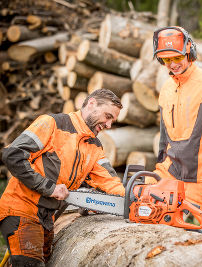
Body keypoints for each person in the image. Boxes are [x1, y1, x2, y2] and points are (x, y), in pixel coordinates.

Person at [0, 89, 126, 266]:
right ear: (91, 104)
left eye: (112, 120)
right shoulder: (52, 124)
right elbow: (13, 155)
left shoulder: (94, 147)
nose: (109, 124)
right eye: (107, 116)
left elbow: (110, 182)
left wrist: (130, 198)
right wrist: (50, 188)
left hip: (47, 219)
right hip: (21, 209)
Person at [152, 26, 202, 234]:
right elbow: (164, 138)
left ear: (189, 52)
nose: (173, 64)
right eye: (167, 60)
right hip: (172, 174)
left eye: (177, 58)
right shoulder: (167, 88)